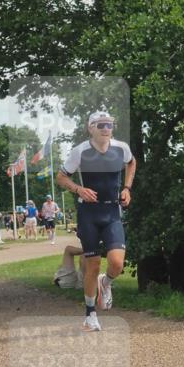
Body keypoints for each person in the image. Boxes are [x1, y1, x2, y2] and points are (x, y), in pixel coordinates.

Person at [56, 111, 136, 333]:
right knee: (92, 264)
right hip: (89, 213)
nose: (106, 128)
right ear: (90, 127)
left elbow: (132, 163)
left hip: (112, 211)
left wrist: (127, 188)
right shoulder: (80, 151)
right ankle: (90, 315)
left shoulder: (121, 148)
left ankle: (107, 282)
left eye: (109, 124)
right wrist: (78, 188)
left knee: (117, 263)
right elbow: (61, 177)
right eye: (101, 125)